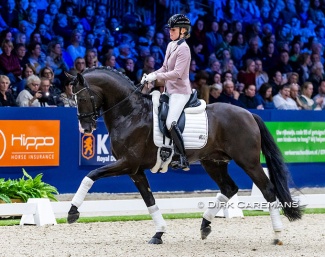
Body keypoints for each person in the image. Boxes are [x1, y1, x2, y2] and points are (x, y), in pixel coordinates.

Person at [140, 14, 192, 171]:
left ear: (183, 31)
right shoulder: (171, 45)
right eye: (170, 29)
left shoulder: (185, 49)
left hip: (180, 92)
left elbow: (176, 73)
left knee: (171, 122)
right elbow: (164, 68)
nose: (170, 32)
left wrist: (156, 76)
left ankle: (183, 157)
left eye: (173, 29)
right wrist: (151, 75)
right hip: (169, 90)